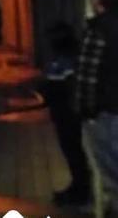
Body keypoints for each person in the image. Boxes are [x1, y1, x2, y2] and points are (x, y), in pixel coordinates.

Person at [75, 0, 118, 217]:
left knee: (112, 174)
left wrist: (86, 111)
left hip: (108, 114)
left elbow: (87, 77)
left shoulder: (98, 30)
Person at [42, 22, 90, 206]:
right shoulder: (71, 56)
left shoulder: (63, 61)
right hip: (68, 113)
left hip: (67, 114)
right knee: (75, 151)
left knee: (74, 151)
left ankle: (81, 191)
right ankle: (80, 188)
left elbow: (57, 87)